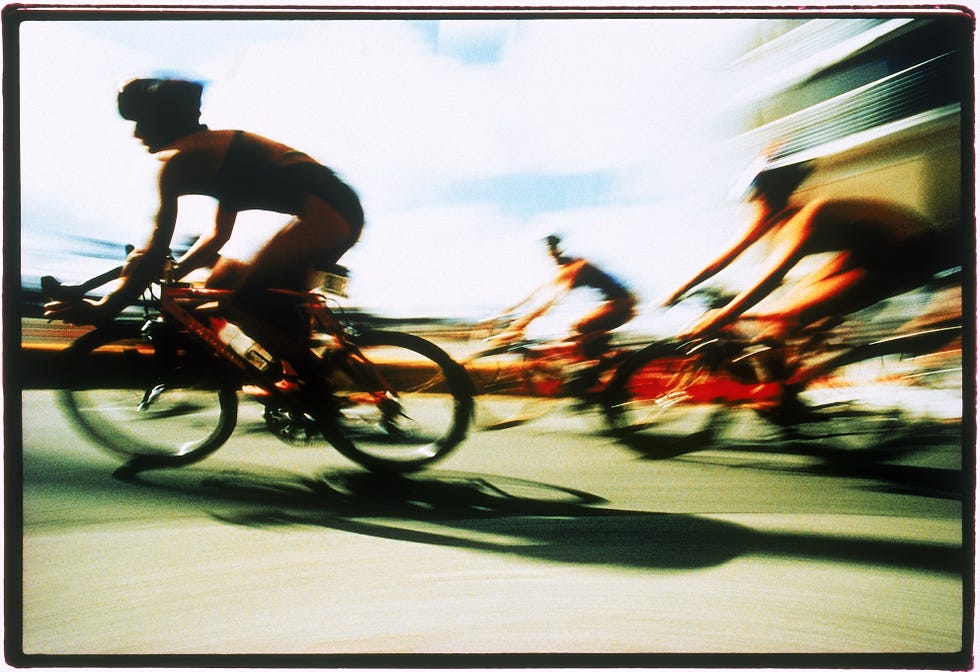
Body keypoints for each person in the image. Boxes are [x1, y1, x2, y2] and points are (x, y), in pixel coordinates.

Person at [44, 77, 364, 396]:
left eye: (141, 122)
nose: (136, 133)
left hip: (327, 212)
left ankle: (317, 390)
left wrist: (105, 307)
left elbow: (154, 249)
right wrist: (175, 274)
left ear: (162, 119)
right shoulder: (217, 152)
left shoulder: (180, 161)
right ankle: (296, 375)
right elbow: (217, 236)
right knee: (233, 285)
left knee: (245, 302)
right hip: (334, 209)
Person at [665, 159, 961, 343]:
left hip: (914, 250)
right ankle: (793, 365)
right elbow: (722, 259)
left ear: (765, 199)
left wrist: (721, 318)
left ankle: (797, 384)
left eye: (752, 199)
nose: (749, 208)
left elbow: (770, 278)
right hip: (877, 247)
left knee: (791, 309)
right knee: (795, 302)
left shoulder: (806, 220)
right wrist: (676, 292)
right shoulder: (772, 217)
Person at [495, 234, 637, 360]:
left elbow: (550, 301)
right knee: (572, 339)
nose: (553, 258)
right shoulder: (564, 269)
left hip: (622, 305)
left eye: (554, 253)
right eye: (550, 254)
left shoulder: (578, 267)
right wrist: (507, 311)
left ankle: (614, 359)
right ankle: (604, 361)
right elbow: (537, 292)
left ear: (559, 251)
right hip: (621, 304)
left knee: (580, 327)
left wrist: (518, 327)